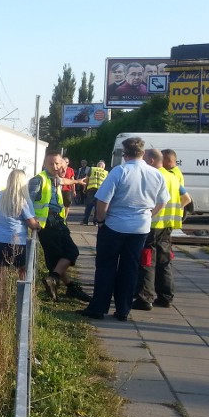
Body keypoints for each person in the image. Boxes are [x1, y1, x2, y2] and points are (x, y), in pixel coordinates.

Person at [79, 137, 168, 321]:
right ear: (143, 153)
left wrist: (101, 221)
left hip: (114, 226)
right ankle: (123, 310)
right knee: (130, 269)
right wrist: (150, 215)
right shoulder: (156, 174)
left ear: (124, 153)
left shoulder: (119, 171)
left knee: (106, 266)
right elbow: (162, 201)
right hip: (140, 228)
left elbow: (103, 200)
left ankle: (98, 308)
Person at [132, 149, 191, 310]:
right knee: (165, 261)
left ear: (151, 160)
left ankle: (145, 297)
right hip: (168, 225)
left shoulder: (152, 176)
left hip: (151, 225)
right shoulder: (172, 177)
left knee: (147, 261)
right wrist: (175, 211)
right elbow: (187, 198)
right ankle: (165, 296)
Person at [29, 150, 90, 301]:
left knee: (55, 259)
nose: (55, 166)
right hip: (49, 223)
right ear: (44, 164)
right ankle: (54, 278)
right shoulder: (39, 179)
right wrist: (30, 221)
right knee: (71, 252)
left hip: (55, 221)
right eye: (51, 163)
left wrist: (77, 182)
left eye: (57, 163)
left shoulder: (55, 178)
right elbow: (27, 202)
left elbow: (64, 181)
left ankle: (66, 287)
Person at [0, 169, 40, 297]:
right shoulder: (23, 200)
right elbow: (32, 223)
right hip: (16, 241)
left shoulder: (0, 195)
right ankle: (23, 300)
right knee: (23, 271)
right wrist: (39, 225)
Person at [80, 160, 108, 224]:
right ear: (103, 167)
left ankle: (85, 220)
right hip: (101, 191)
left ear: (97, 165)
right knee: (97, 206)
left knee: (89, 205)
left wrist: (84, 188)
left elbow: (87, 179)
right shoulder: (106, 172)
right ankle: (95, 221)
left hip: (91, 189)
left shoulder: (92, 169)